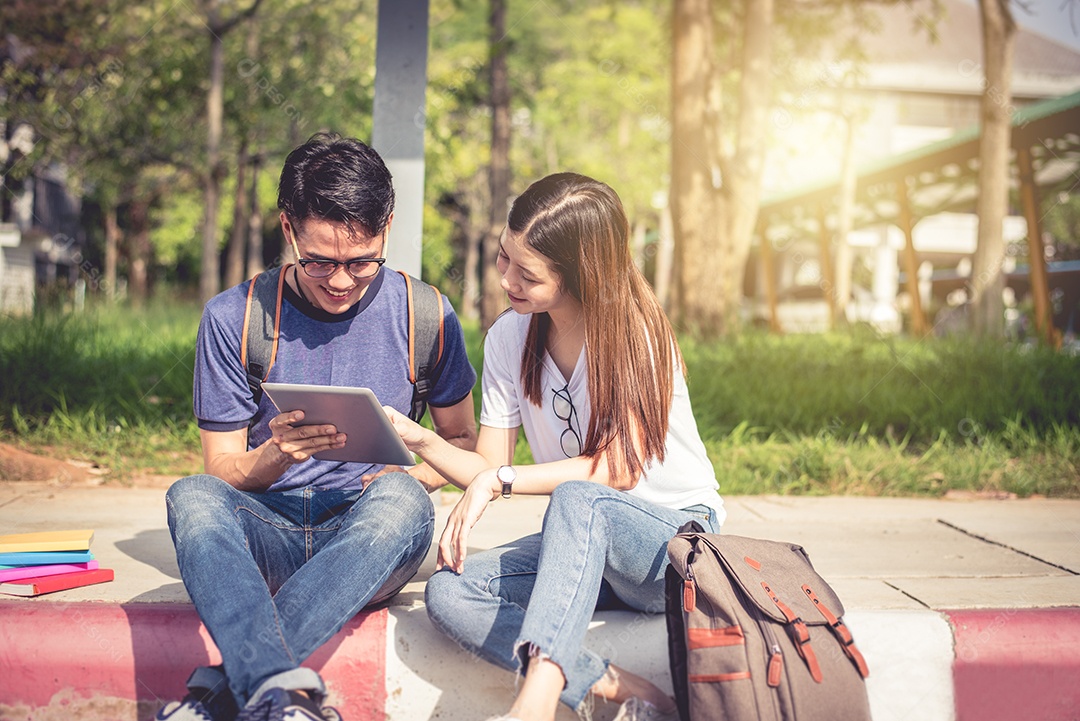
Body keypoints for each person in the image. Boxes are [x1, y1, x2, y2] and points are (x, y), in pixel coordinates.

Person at [384, 172, 725, 721]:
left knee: (577, 498)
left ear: (582, 275)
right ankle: (613, 682)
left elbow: (616, 468)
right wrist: (418, 437)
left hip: (674, 549)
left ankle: (535, 705)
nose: (506, 280)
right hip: (585, 546)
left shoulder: (637, 332)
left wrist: (499, 481)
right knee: (451, 590)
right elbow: (489, 465)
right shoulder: (509, 337)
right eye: (504, 258)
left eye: (529, 274)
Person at [160, 133, 477, 721]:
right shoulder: (236, 316)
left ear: (386, 226)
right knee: (191, 497)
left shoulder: (426, 313)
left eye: (361, 262)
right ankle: (276, 693)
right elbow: (223, 471)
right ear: (288, 229)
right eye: (320, 262)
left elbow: (461, 443)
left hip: (370, 536)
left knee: (402, 499)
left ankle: (223, 692)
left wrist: (401, 468)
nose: (339, 281)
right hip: (269, 533)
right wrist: (277, 454)